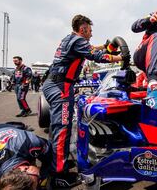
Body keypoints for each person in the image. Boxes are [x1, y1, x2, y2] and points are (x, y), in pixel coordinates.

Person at [42, 14, 129, 186]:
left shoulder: (71, 39)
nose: (91, 33)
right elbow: (97, 56)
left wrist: (106, 46)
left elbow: (94, 49)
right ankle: (58, 174)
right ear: (83, 29)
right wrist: (122, 57)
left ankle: (55, 163)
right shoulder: (78, 41)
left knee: (57, 126)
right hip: (61, 87)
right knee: (63, 129)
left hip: (54, 84)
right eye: (90, 30)